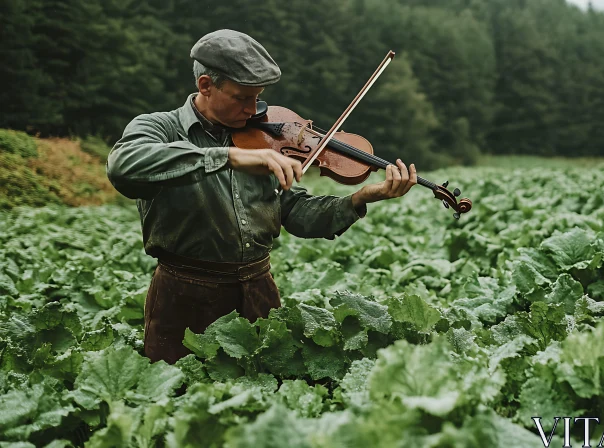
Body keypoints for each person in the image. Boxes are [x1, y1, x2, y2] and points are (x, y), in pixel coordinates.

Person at [106, 29, 416, 365]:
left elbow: (293, 210)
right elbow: (123, 165)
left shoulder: (261, 138)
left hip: (258, 293)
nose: (253, 109)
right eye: (241, 98)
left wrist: (361, 198)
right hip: (184, 297)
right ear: (206, 86)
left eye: (258, 97)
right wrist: (227, 157)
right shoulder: (160, 128)